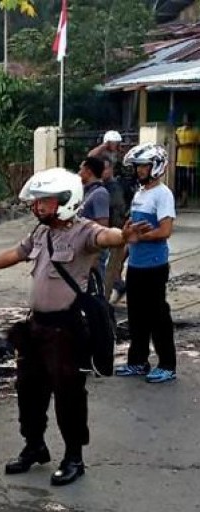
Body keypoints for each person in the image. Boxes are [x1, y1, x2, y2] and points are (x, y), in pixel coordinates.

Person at [0, 168, 150, 486]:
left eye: (43, 202)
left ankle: (74, 457)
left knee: (69, 396)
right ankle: (35, 446)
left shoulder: (84, 231)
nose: (37, 208)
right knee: (28, 392)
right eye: (36, 203)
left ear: (65, 201)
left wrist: (124, 237)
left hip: (67, 330)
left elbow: (106, 237)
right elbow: (15, 254)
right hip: (36, 328)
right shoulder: (41, 233)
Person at [115, 144, 178, 383]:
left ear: (156, 167)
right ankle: (138, 361)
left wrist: (138, 237)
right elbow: (131, 230)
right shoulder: (140, 194)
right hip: (137, 266)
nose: (139, 170)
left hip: (154, 265)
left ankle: (167, 365)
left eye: (143, 166)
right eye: (138, 166)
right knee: (137, 316)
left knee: (158, 317)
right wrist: (123, 258)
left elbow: (165, 230)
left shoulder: (163, 194)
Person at [78, 156, 110, 283]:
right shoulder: (88, 192)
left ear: (88, 172)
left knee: (94, 288)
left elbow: (103, 225)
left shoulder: (99, 194)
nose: (79, 173)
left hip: (94, 251)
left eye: (81, 170)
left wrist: (95, 255)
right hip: (86, 249)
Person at [102, 157, 130, 301]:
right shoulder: (104, 186)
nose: (103, 172)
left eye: (105, 168)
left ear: (111, 169)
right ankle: (117, 287)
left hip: (115, 232)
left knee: (111, 267)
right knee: (111, 267)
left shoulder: (114, 188)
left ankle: (111, 293)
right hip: (111, 233)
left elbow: (117, 210)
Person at [175, 114, 199, 208]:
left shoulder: (196, 131)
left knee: (190, 182)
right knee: (181, 181)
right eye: (185, 120)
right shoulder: (179, 130)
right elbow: (175, 142)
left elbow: (197, 144)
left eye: (188, 120)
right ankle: (183, 200)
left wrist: (190, 144)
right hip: (180, 161)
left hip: (191, 161)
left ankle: (186, 200)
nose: (186, 122)